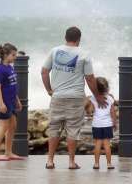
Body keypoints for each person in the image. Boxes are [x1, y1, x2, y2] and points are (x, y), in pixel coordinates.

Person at [41, 26, 106, 170]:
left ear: (65, 37)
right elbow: (89, 78)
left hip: (57, 96)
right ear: (78, 39)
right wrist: (98, 96)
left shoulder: (55, 51)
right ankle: (71, 162)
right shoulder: (84, 54)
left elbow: (44, 72)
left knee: (54, 129)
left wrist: (49, 90)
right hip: (76, 98)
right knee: (73, 130)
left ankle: (50, 161)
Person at [0, 43, 24, 161]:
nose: (15, 57)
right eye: (13, 55)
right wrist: (1, 104)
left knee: (13, 126)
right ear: (5, 55)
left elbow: (12, 85)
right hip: (3, 102)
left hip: (11, 101)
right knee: (4, 126)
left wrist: (17, 100)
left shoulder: (10, 67)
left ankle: (8, 153)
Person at [85, 77, 117, 170]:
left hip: (97, 125)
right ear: (107, 88)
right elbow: (113, 112)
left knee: (98, 144)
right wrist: (114, 123)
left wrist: (89, 104)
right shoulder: (110, 98)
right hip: (107, 124)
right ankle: (109, 164)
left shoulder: (93, 98)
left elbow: (90, 111)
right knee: (107, 145)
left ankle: (96, 164)